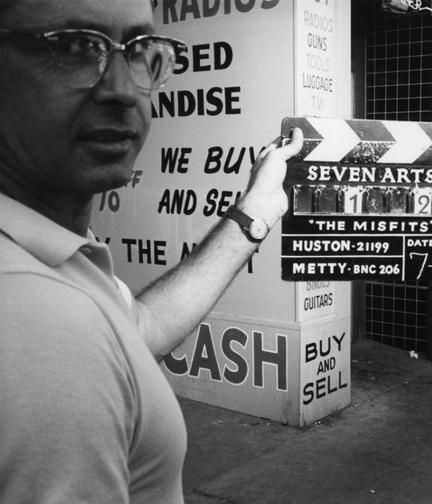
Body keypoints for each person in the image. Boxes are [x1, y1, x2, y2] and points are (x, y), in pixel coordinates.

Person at [0, 1, 304, 502]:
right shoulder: (38, 325)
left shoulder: (50, 253)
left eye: (141, 52)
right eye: (76, 47)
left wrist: (255, 212)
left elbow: (141, 329)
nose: (121, 90)